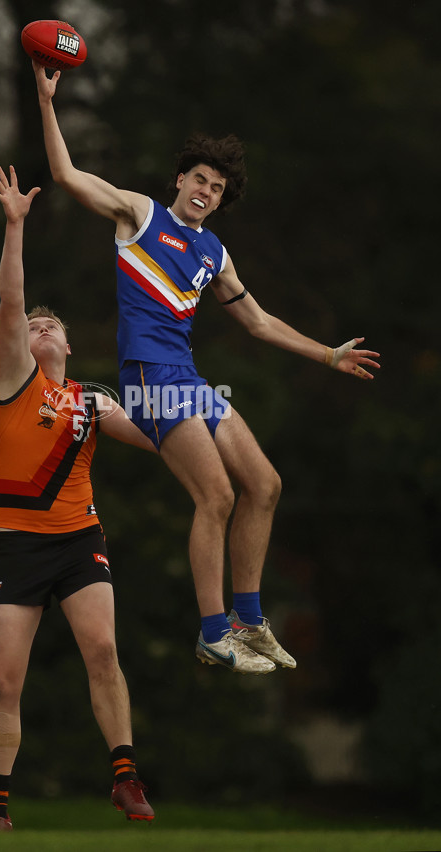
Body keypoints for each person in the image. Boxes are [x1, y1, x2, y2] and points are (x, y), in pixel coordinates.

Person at [33, 61, 382, 677]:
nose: (206, 192)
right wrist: (45, 98)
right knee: (215, 495)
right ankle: (213, 632)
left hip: (188, 381)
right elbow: (65, 174)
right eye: (200, 179)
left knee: (265, 485)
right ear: (181, 178)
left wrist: (327, 354)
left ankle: (249, 620)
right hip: (148, 380)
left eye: (218, 189)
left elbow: (259, 322)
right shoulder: (141, 216)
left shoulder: (213, 252)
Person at [0, 164, 156, 832]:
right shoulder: (14, 383)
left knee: (103, 652)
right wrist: (15, 226)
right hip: (19, 548)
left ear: (71, 345)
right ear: (20, 343)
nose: (40, 323)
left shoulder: (90, 401)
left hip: (80, 543)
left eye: (52, 322)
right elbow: (8, 299)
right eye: (34, 322)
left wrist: (210, 429)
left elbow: (162, 441)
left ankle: (125, 777)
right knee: (3, 682)